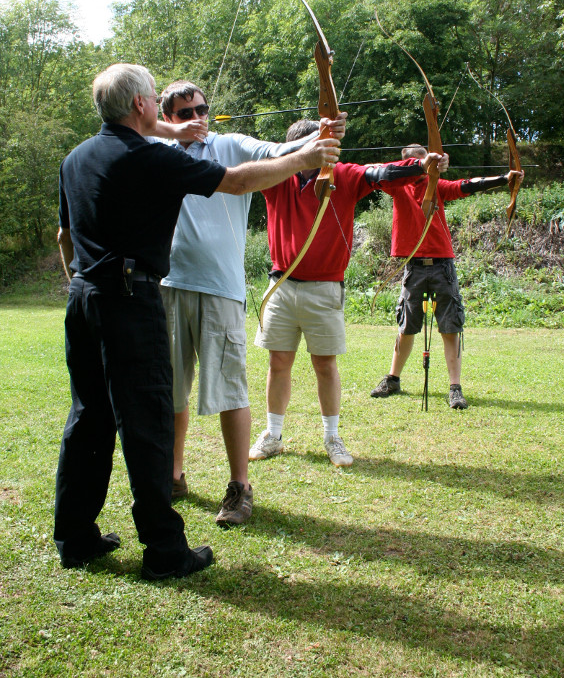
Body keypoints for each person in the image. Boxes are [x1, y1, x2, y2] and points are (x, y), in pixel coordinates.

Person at [54, 64, 340, 579]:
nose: (192, 121)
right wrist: (309, 155)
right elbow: (236, 182)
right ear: (144, 105)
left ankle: (75, 537)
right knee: (146, 422)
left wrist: (83, 281)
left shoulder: (77, 158)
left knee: (88, 417)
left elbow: (65, 240)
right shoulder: (148, 159)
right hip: (131, 297)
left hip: (83, 298)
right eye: (162, 106)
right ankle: (165, 551)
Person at [150, 80, 347, 527]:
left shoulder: (231, 145)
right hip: (169, 283)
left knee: (230, 391)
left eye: (201, 109)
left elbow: (279, 150)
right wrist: (171, 134)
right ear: (167, 118)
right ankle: (173, 475)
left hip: (220, 287)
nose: (196, 118)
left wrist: (325, 134)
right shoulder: (156, 150)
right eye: (183, 113)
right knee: (171, 389)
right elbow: (135, 130)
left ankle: (240, 486)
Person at [249, 121, 446, 466]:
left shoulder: (344, 174)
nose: (311, 153)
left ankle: (332, 436)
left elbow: (381, 173)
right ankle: (273, 435)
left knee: (325, 365)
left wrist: (421, 165)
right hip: (281, 285)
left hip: (324, 287)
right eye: (303, 147)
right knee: (278, 362)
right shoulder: (277, 176)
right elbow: (245, 172)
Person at [370, 144, 524, 408]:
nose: (429, 168)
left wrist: (503, 179)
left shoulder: (438, 186)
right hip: (414, 265)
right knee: (406, 325)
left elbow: (466, 185)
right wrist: (421, 164)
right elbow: (384, 173)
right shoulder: (397, 187)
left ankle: (455, 388)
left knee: (450, 326)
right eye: (422, 163)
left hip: (442, 265)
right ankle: (393, 379)